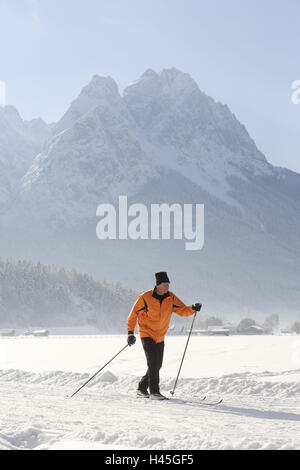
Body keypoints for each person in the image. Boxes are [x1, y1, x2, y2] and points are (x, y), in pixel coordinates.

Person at [127, 271, 202, 400]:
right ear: (158, 285)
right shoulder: (145, 298)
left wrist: (193, 308)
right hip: (146, 333)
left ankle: (141, 388)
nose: (167, 287)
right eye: (165, 284)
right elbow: (133, 315)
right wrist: (130, 333)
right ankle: (154, 392)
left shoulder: (171, 298)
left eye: (168, 284)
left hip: (160, 335)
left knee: (157, 365)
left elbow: (182, 310)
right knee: (153, 363)